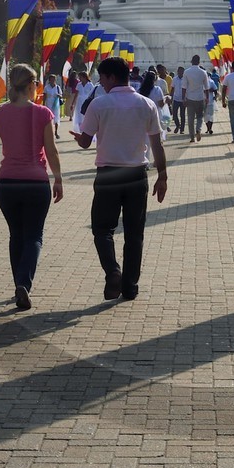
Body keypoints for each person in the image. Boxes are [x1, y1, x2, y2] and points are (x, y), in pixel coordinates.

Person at [72, 56, 167, 301]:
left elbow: (84, 142)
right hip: (137, 175)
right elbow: (156, 144)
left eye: (102, 78)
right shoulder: (147, 104)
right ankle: (130, 286)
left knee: (102, 229)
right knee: (135, 233)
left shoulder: (99, 104)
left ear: (112, 77)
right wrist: (163, 176)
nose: (101, 83)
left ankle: (112, 270)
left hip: (108, 175)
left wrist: (78, 138)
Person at [0, 63, 64, 311]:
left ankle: (18, 284)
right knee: (34, 236)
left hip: (7, 183)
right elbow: (51, 150)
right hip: (36, 182)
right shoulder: (43, 113)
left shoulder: (1, 113)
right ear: (32, 85)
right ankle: (23, 283)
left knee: (16, 235)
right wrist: (57, 177)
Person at [179, 54, 209, 142]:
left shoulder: (187, 72)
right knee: (200, 117)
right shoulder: (203, 72)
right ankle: (198, 130)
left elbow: (184, 87)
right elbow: (206, 87)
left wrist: (183, 98)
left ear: (191, 61)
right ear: (199, 62)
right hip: (200, 98)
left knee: (190, 119)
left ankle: (192, 138)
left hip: (190, 98)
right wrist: (207, 98)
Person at [70, 69, 100, 136]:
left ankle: (86, 130)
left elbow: (92, 94)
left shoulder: (90, 84)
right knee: (79, 116)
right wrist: (72, 103)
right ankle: (81, 130)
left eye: (80, 77)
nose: (79, 78)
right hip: (79, 102)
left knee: (86, 116)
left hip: (86, 102)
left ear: (84, 77)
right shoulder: (79, 84)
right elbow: (76, 94)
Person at [42, 72, 64, 136]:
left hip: (56, 104)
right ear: (49, 80)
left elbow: (61, 95)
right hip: (49, 103)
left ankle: (56, 131)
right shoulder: (46, 87)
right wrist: (43, 105)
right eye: (51, 79)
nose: (53, 80)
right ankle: (49, 131)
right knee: (49, 118)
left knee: (56, 117)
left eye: (54, 79)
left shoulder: (57, 87)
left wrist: (58, 95)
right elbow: (45, 96)